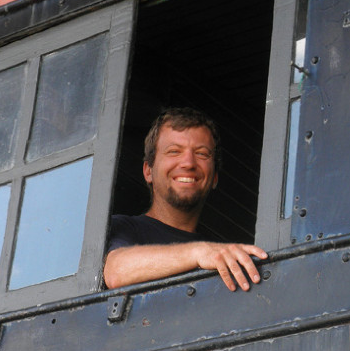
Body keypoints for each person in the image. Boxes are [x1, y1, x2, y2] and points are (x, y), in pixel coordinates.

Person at [104, 108, 267, 291]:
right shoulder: (123, 227)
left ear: (214, 178)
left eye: (202, 154)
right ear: (148, 171)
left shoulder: (218, 253)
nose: (188, 163)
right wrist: (198, 252)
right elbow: (116, 272)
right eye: (174, 151)